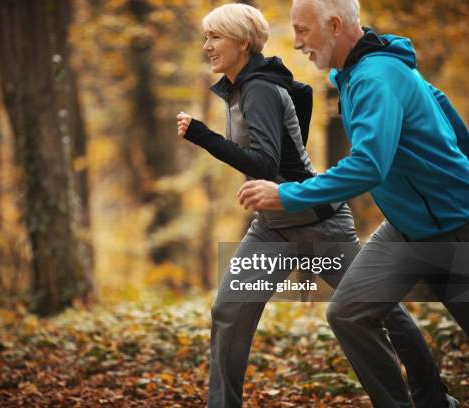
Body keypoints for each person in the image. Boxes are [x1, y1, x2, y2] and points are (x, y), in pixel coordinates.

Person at [176, 3, 456, 407]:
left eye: (214, 37)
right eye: (206, 37)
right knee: (230, 309)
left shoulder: (258, 88)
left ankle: (433, 399)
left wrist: (202, 135)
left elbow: (265, 165)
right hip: (272, 224)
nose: (207, 46)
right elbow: (301, 101)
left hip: (316, 223)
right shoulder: (244, 86)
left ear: (241, 42)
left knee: (382, 314)